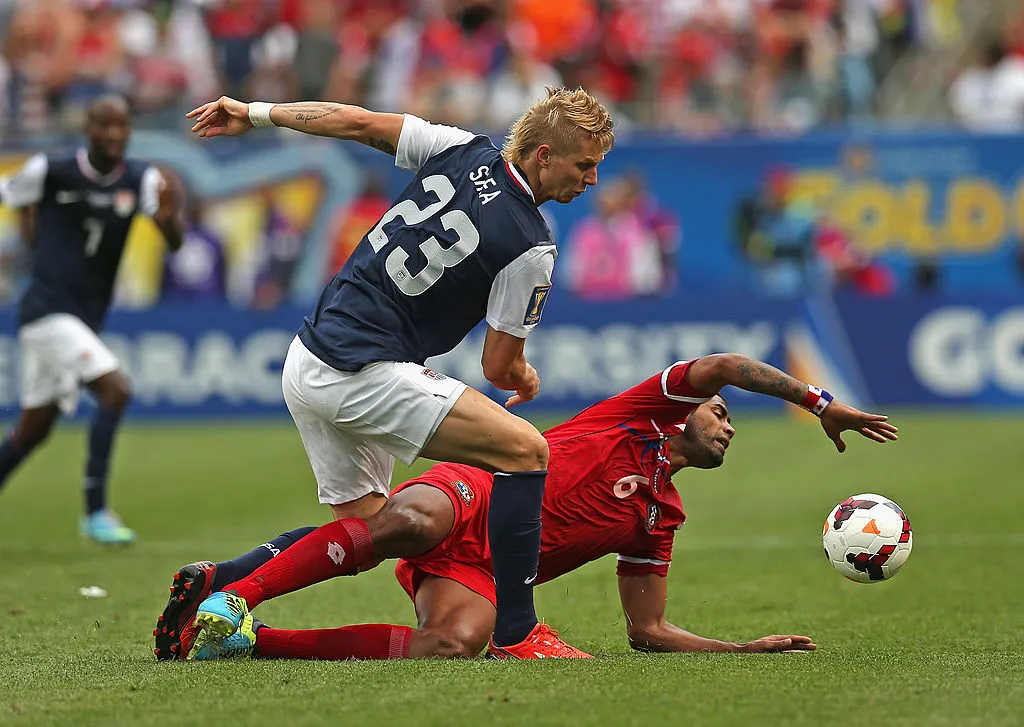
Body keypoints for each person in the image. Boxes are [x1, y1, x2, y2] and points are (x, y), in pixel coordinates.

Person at [184, 88, 614, 658]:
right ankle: (519, 631)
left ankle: (217, 584)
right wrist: (525, 377)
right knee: (527, 452)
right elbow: (497, 365)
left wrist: (255, 113)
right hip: (362, 370)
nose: (591, 180)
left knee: (376, 528)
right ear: (542, 155)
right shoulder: (531, 245)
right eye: (584, 166)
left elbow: (354, 120)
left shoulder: (460, 148)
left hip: (307, 356)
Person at [153, 354, 897, 661]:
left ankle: (248, 641)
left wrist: (737, 651)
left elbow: (646, 629)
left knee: (449, 647)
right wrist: (817, 401)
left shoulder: (661, 516)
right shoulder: (637, 412)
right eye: (719, 412)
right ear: (683, 410)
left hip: (484, 570)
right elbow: (732, 364)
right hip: (475, 493)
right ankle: (233, 593)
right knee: (403, 522)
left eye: (732, 421)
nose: (727, 422)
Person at [0, 94, 183, 544]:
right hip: (45, 311)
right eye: (105, 126)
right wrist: (29, 227)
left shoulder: (142, 179)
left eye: (121, 126)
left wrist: (167, 218)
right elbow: (12, 195)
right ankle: (96, 511)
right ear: (89, 127)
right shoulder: (50, 170)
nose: (114, 135)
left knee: (33, 429)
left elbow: (174, 241)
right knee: (115, 389)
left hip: (86, 316)